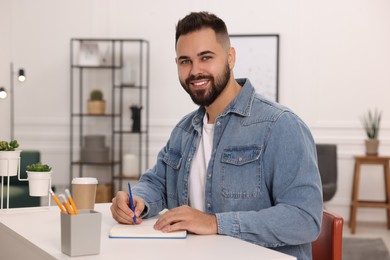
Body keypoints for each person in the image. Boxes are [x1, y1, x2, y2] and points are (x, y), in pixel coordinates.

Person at [111, 11, 323, 260]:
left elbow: (304, 218)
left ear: (230, 58)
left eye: (206, 57)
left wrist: (214, 223)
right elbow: (157, 182)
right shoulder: (184, 129)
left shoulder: (280, 125)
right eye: (185, 61)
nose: (195, 71)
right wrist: (137, 200)